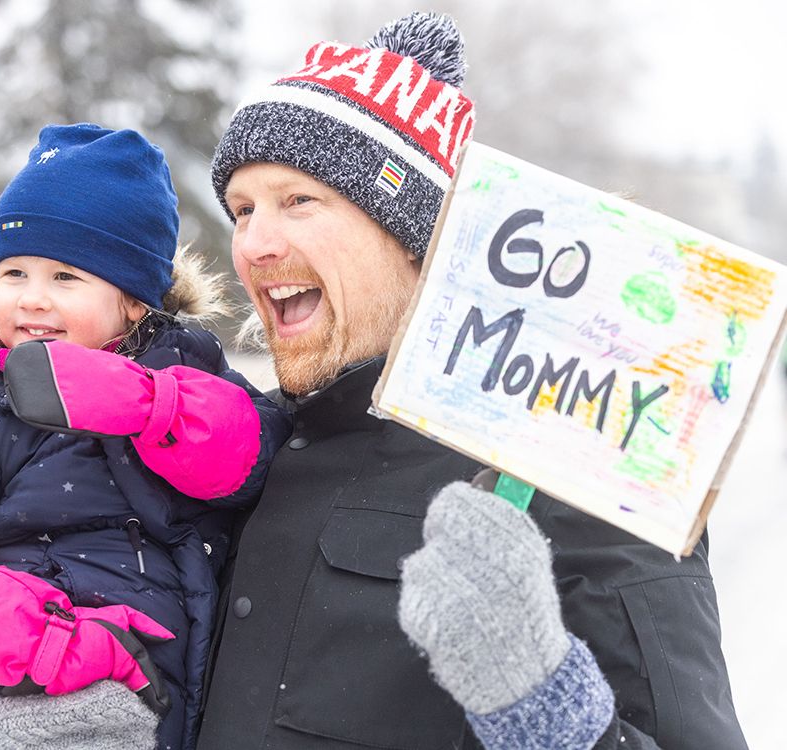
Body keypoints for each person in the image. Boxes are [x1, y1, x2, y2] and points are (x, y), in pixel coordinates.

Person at [193, 12, 748, 750]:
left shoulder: (576, 472)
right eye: (241, 210)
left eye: (299, 200)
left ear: (414, 237)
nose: (254, 243)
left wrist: (539, 703)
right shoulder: (240, 452)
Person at [0, 124, 290, 750]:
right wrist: (45, 640)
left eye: (65, 278)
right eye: (14, 274)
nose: (32, 299)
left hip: (199, 688)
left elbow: (251, 456)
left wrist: (151, 405)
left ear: (134, 301)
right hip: (59, 698)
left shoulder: (185, 369)